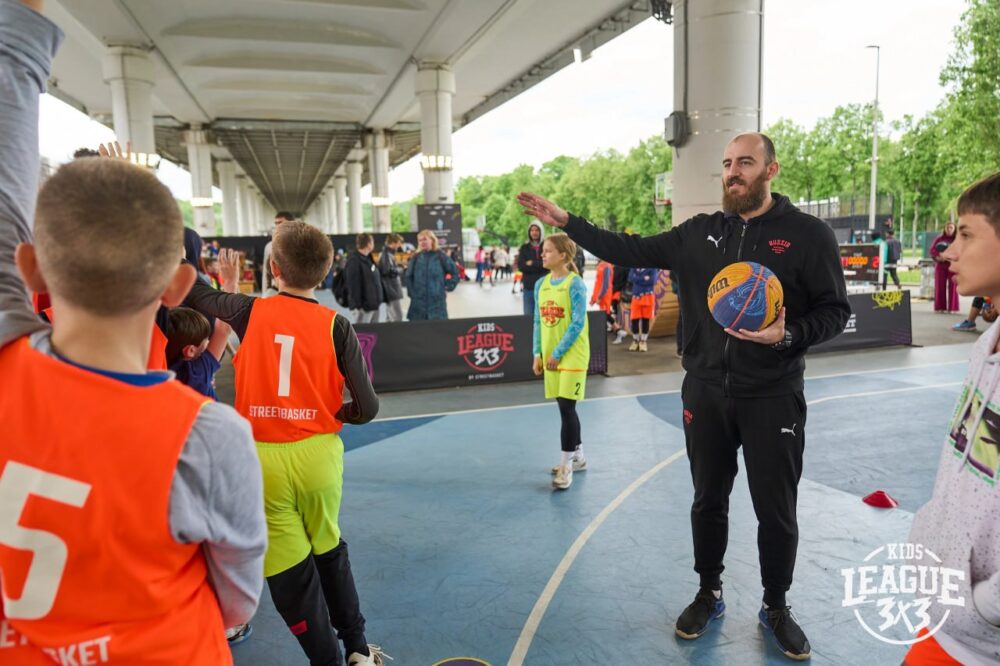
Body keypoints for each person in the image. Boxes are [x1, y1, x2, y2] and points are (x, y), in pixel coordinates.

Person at [518, 132, 851, 660]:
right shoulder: (699, 233)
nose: (733, 172)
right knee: (707, 500)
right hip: (705, 390)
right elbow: (626, 248)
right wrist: (567, 222)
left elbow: (836, 311)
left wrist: (786, 335)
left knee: (776, 508)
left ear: (771, 170)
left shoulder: (807, 235)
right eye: (726, 164)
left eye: (745, 162)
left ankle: (777, 605)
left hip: (773, 394)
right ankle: (708, 591)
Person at [0, 3, 267, 661]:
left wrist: (22, 33)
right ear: (177, 287)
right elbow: (235, 599)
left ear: (30, 265)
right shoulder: (210, 436)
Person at [184, 223, 386, 666]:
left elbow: (193, 291)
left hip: (262, 458)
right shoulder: (338, 326)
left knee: (291, 573)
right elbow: (367, 407)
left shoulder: (248, 310)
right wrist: (338, 414)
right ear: (327, 270)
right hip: (318, 455)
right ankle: (356, 647)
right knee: (330, 547)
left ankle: (326, 661)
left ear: (273, 267)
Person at [904, 172, 1000, 665]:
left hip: (979, 636)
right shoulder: (987, 344)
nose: (948, 251)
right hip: (948, 621)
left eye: (966, 234)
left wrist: (983, 609)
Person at [532, 234, 590, 491]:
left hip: (572, 355)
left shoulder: (575, 284)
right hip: (550, 355)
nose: (542, 254)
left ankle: (566, 465)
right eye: (542, 251)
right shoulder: (540, 285)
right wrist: (538, 353)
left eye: (547, 251)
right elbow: (537, 321)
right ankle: (578, 456)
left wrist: (557, 352)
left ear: (563, 256)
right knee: (565, 408)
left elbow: (577, 323)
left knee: (567, 408)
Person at [166, 306, 232, 400]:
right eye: (206, 338)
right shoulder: (197, 371)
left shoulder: (158, 370)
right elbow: (223, 329)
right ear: (191, 351)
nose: (209, 341)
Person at [405, 229, 459, 320]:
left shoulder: (441, 256)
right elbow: (408, 276)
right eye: (420, 240)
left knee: (437, 331)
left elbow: (455, 273)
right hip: (418, 304)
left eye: (425, 239)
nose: (422, 242)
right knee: (418, 331)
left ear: (432, 240)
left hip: (437, 304)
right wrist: (412, 294)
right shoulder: (416, 257)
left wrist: (447, 286)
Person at [345, 232, 384, 324]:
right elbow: (352, 285)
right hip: (364, 307)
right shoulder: (354, 261)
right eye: (373, 242)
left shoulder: (368, 259)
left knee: (374, 334)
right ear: (369, 244)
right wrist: (359, 306)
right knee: (363, 335)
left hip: (373, 304)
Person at [517, 220, 549, 315]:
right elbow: (521, 266)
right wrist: (540, 265)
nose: (534, 232)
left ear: (541, 231)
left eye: (537, 230)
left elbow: (548, 265)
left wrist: (532, 263)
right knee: (528, 315)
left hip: (545, 287)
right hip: (529, 287)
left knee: (544, 316)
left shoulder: (547, 246)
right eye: (532, 230)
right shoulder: (524, 248)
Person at [262, 211, 295, 294]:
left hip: (297, 290)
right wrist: (264, 292)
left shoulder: (299, 244)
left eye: (280, 223)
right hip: (276, 290)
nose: (277, 226)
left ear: (290, 224)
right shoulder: (269, 246)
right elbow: (266, 273)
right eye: (276, 223)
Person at [627, 267, 658, 352]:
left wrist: (637, 279)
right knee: (634, 319)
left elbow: (653, 281)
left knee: (645, 319)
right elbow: (630, 278)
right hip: (636, 297)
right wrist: (644, 278)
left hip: (647, 296)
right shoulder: (633, 267)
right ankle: (635, 340)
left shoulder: (652, 268)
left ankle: (643, 341)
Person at [931, 222, 960, 313]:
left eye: (951, 228)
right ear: (944, 228)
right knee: (940, 286)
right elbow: (932, 250)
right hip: (941, 265)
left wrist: (950, 256)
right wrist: (939, 256)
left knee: (953, 286)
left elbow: (962, 250)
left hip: (953, 265)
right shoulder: (939, 239)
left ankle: (952, 308)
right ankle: (940, 307)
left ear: (955, 229)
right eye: (947, 227)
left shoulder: (958, 239)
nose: (949, 229)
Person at [378, 233, 405, 323]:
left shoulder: (387, 254)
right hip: (391, 290)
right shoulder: (386, 254)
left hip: (391, 289)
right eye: (399, 243)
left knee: (390, 317)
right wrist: (401, 269)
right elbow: (388, 271)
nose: (400, 245)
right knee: (397, 316)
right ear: (393, 243)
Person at [590, 258, 615, 331]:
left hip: (604, 295)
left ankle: (618, 329)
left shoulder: (607, 266)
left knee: (605, 314)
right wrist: (594, 297)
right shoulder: (601, 265)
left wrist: (599, 296)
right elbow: (598, 282)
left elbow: (605, 285)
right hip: (601, 294)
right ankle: (613, 329)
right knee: (604, 314)